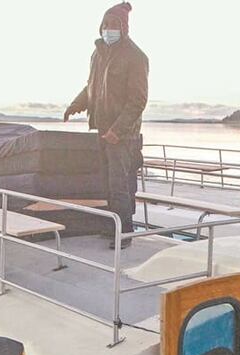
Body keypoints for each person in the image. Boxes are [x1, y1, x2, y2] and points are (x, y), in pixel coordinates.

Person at [64, 2, 148, 250]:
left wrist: (118, 130)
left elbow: (138, 100)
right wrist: (74, 105)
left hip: (123, 136)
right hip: (102, 130)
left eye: (114, 25)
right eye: (106, 24)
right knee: (105, 181)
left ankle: (125, 231)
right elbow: (91, 87)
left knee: (119, 183)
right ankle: (110, 226)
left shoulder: (136, 56)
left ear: (124, 28)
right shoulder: (98, 53)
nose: (109, 29)